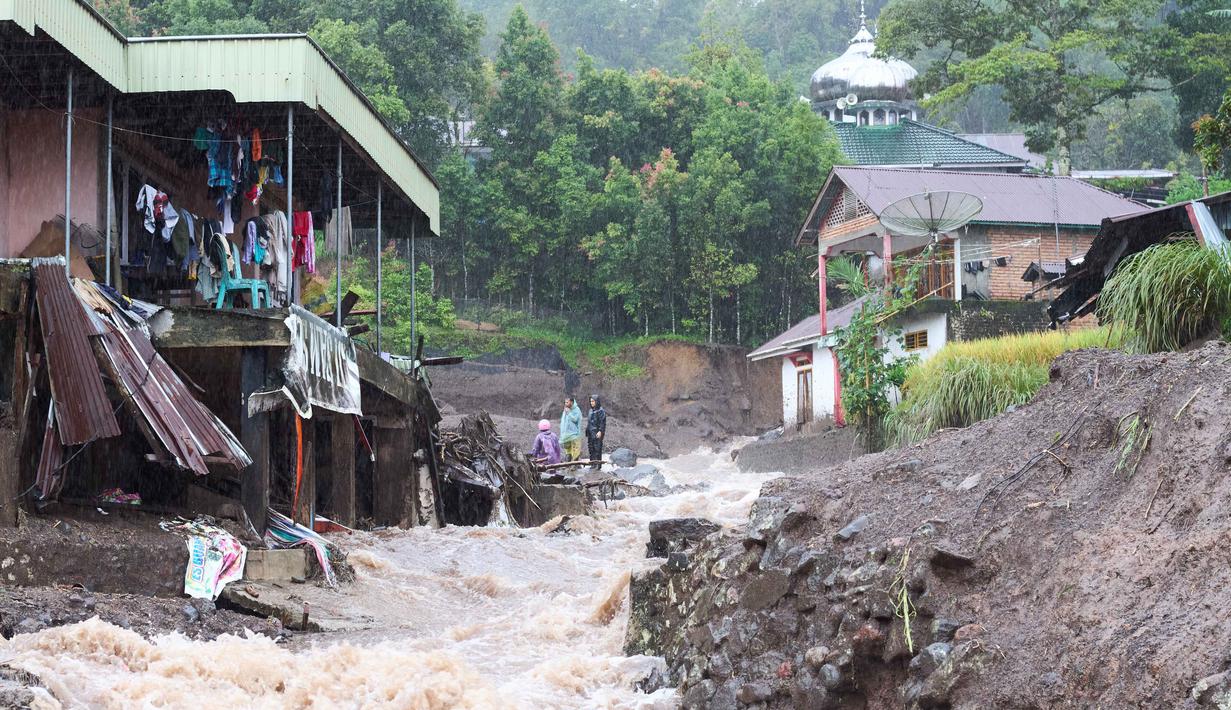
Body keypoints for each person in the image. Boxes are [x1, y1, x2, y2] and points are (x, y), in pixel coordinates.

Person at [585, 394, 607, 470]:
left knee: (597, 449)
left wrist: (600, 431)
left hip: (597, 433)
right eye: (590, 401)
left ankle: (598, 465)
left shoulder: (601, 411)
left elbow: (602, 422)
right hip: (590, 432)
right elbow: (589, 422)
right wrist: (587, 430)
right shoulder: (590, 410)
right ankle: (593, 463)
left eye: (593, 401)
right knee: (591, 449)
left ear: (597, 401)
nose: (591, 403)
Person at [559, 396, 583, 462]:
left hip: (575, 434)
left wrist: (569, 413)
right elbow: (563, 421)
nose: (565, 404)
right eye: (565, 402)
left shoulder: (576, 409)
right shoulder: (566, 410)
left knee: (575, 449)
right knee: (568, 449)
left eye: (567, 402)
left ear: (571, 402)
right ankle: (568, 464)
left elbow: (575, 419)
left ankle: (574, 465)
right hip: (567, 434)